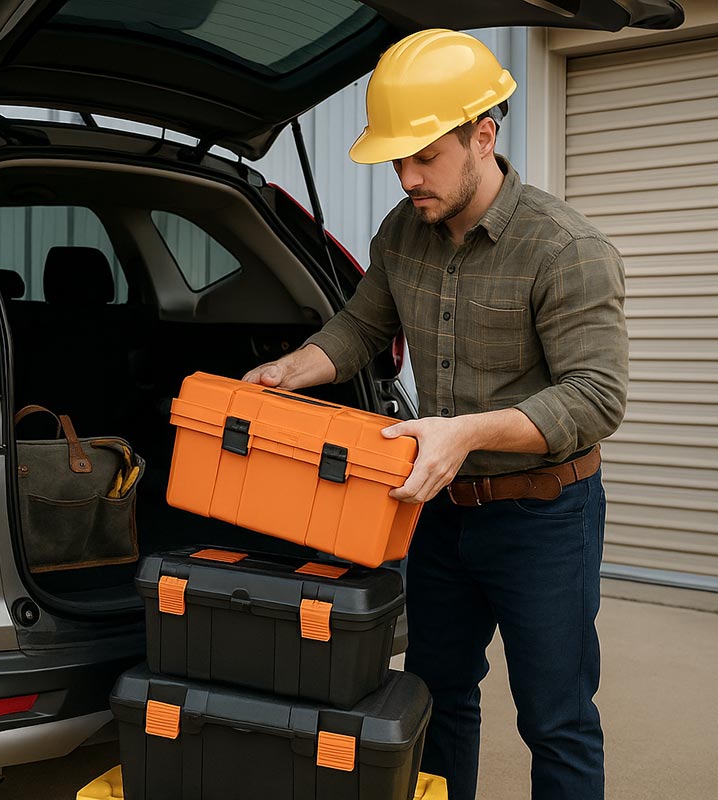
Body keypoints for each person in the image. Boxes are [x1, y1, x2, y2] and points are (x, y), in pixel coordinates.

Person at [242, 29, 628, 800]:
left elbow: (596, 396)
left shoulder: (565, 249)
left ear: (483, 136)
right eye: (396, 158)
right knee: (435, 696)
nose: (406, 177)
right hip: (438, 510)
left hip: (544, 515)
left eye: (425, 157)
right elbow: (360, 328)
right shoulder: (401, 232)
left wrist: (467, 433)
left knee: (556, 717)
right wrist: (289, 372)